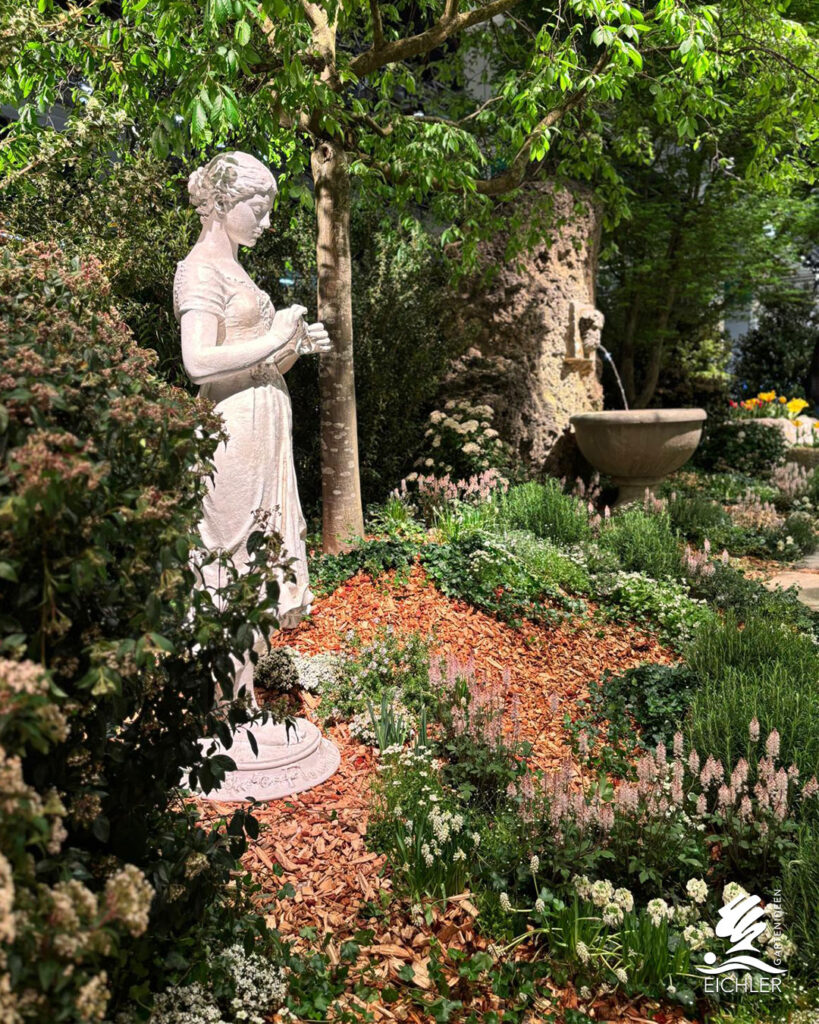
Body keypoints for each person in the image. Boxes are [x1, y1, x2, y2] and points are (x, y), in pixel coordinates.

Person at [173, 151, 330, 641]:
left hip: (263, 432)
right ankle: (221, 706)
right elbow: (198, 362)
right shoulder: (199, 270)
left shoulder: (237, 269)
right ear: (222, 202)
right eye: (257, 208)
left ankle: (245, 700)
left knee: (262, 559)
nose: (265, 222)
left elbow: (257, 363)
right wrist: (275, 335)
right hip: (231, 431)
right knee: (229, 557)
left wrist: (294, 348)